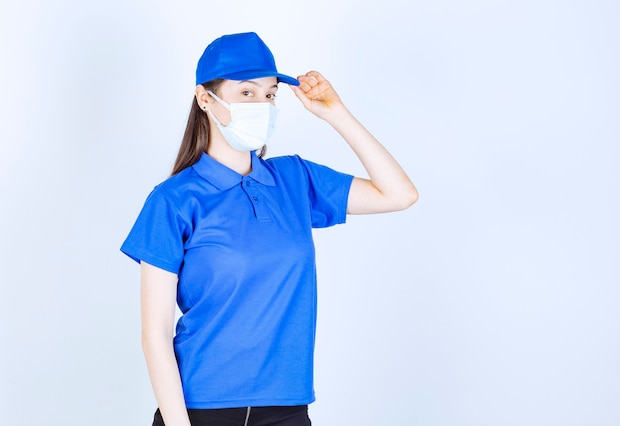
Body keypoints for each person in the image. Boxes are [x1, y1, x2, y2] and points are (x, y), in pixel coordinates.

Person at [121, 32, 418, 426]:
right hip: (199, 410)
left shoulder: (295, 179)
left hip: (286, 409)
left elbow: (398, 194)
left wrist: (336, 113)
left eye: (269, 94)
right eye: (247, 94)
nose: (261, 105)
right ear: (205, 99)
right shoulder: (174, 200)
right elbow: (154, 333)